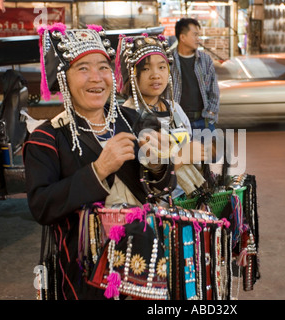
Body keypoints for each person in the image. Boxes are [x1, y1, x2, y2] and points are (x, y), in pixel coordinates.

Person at [24, 24, 174, 300]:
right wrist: (99, 170)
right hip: (84, 273)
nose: (97, 78)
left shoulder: (135, 121)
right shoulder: (46, 139)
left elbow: (163, 188)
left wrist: (158, 165)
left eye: (104, 67)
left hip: (149, 262)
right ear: (64, 78)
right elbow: (41, 207)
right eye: (83, 68)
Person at [115, 33, 207, 199]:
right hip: (154, 206)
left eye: (162, 67)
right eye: (145, 68)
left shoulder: (174, 108)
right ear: (132, 73)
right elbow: (138, 175)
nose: (155, 75)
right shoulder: (125, 117)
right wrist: (181, 157)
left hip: (186, 199)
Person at [170, 18, 220, 133]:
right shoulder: (168, 61)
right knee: (181, 151)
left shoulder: (205, 60)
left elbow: (214, 90)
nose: (198, 39)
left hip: (203, 121)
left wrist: (211, 113)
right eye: (195, 35)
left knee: (209, 151)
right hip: (177, 123)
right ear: (182, 37)